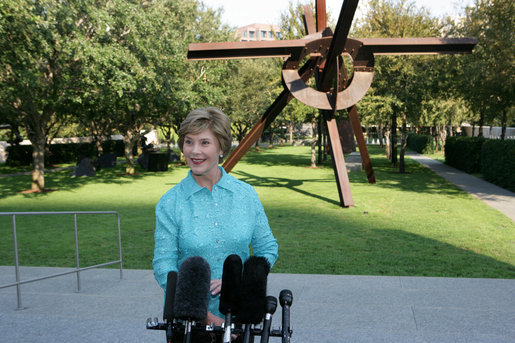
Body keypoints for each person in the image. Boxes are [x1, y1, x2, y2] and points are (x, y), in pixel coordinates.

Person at [152, 107, 279, 332]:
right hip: (189, 322)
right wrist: (203, 315)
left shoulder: (246, 195)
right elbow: (164, 264)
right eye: (188, 142)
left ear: (221, 147)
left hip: (242, 319)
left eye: (204, 143)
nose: (194, 151)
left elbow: (267, 248)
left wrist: (242, 280)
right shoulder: (171, 202)